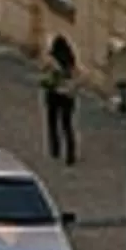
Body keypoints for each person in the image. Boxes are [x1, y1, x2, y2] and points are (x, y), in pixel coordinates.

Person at [40, 34, 80, 166]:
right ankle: (70, 153)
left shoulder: (53, 61)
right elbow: (76, 79)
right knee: (67, 125)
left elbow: (45, 73)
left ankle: (55, 149)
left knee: (52, 123)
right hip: (68, 96)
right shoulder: (70, 62)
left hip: (54, 95)